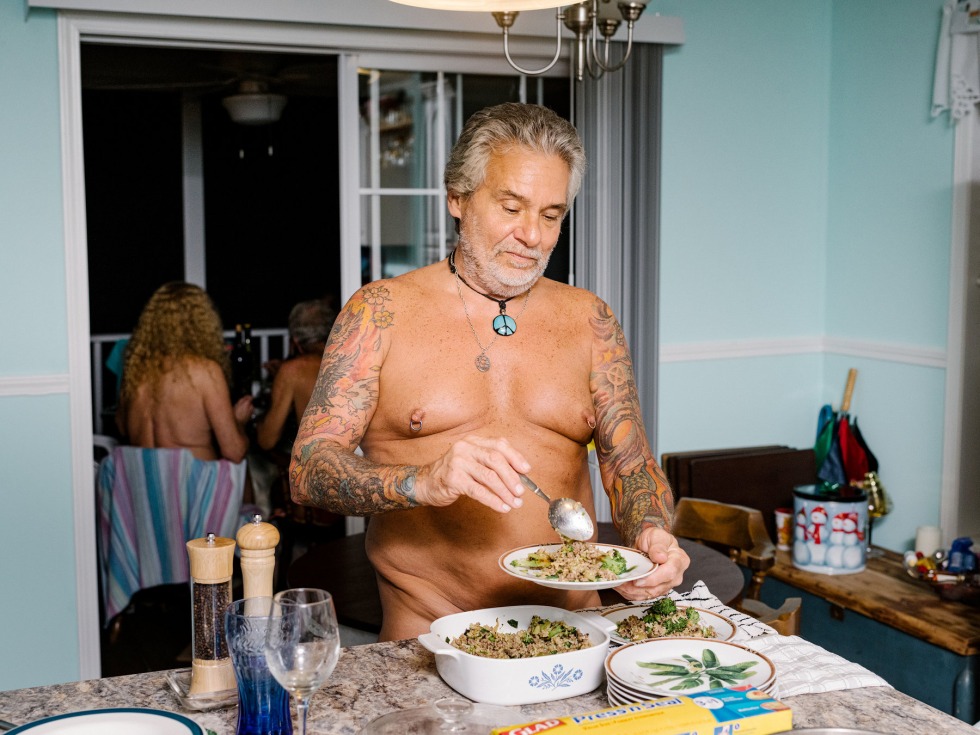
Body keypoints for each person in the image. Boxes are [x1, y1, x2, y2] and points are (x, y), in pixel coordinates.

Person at [289, 102, 690, 641]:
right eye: (511, 207)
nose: (533, 236)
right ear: (457, 198)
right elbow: (309, 469)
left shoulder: (590, 319)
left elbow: (631, 466)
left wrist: (653, 537)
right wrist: (422, 480)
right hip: (431, 633)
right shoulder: (378, 312)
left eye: (551, 215)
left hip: (576, 628)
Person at [117, 281, 252, 463]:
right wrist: (238, 423)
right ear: (202, 322)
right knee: (246, 468)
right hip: (192, 488)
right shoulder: (205, 371)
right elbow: (234, 452)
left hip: (144, 486)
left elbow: (122, 426)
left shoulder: (136, 369)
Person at [256, 299, 337, 453]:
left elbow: (266, 440)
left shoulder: (293, 371)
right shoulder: (353, 359)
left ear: (295, 341)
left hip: (320, 466)